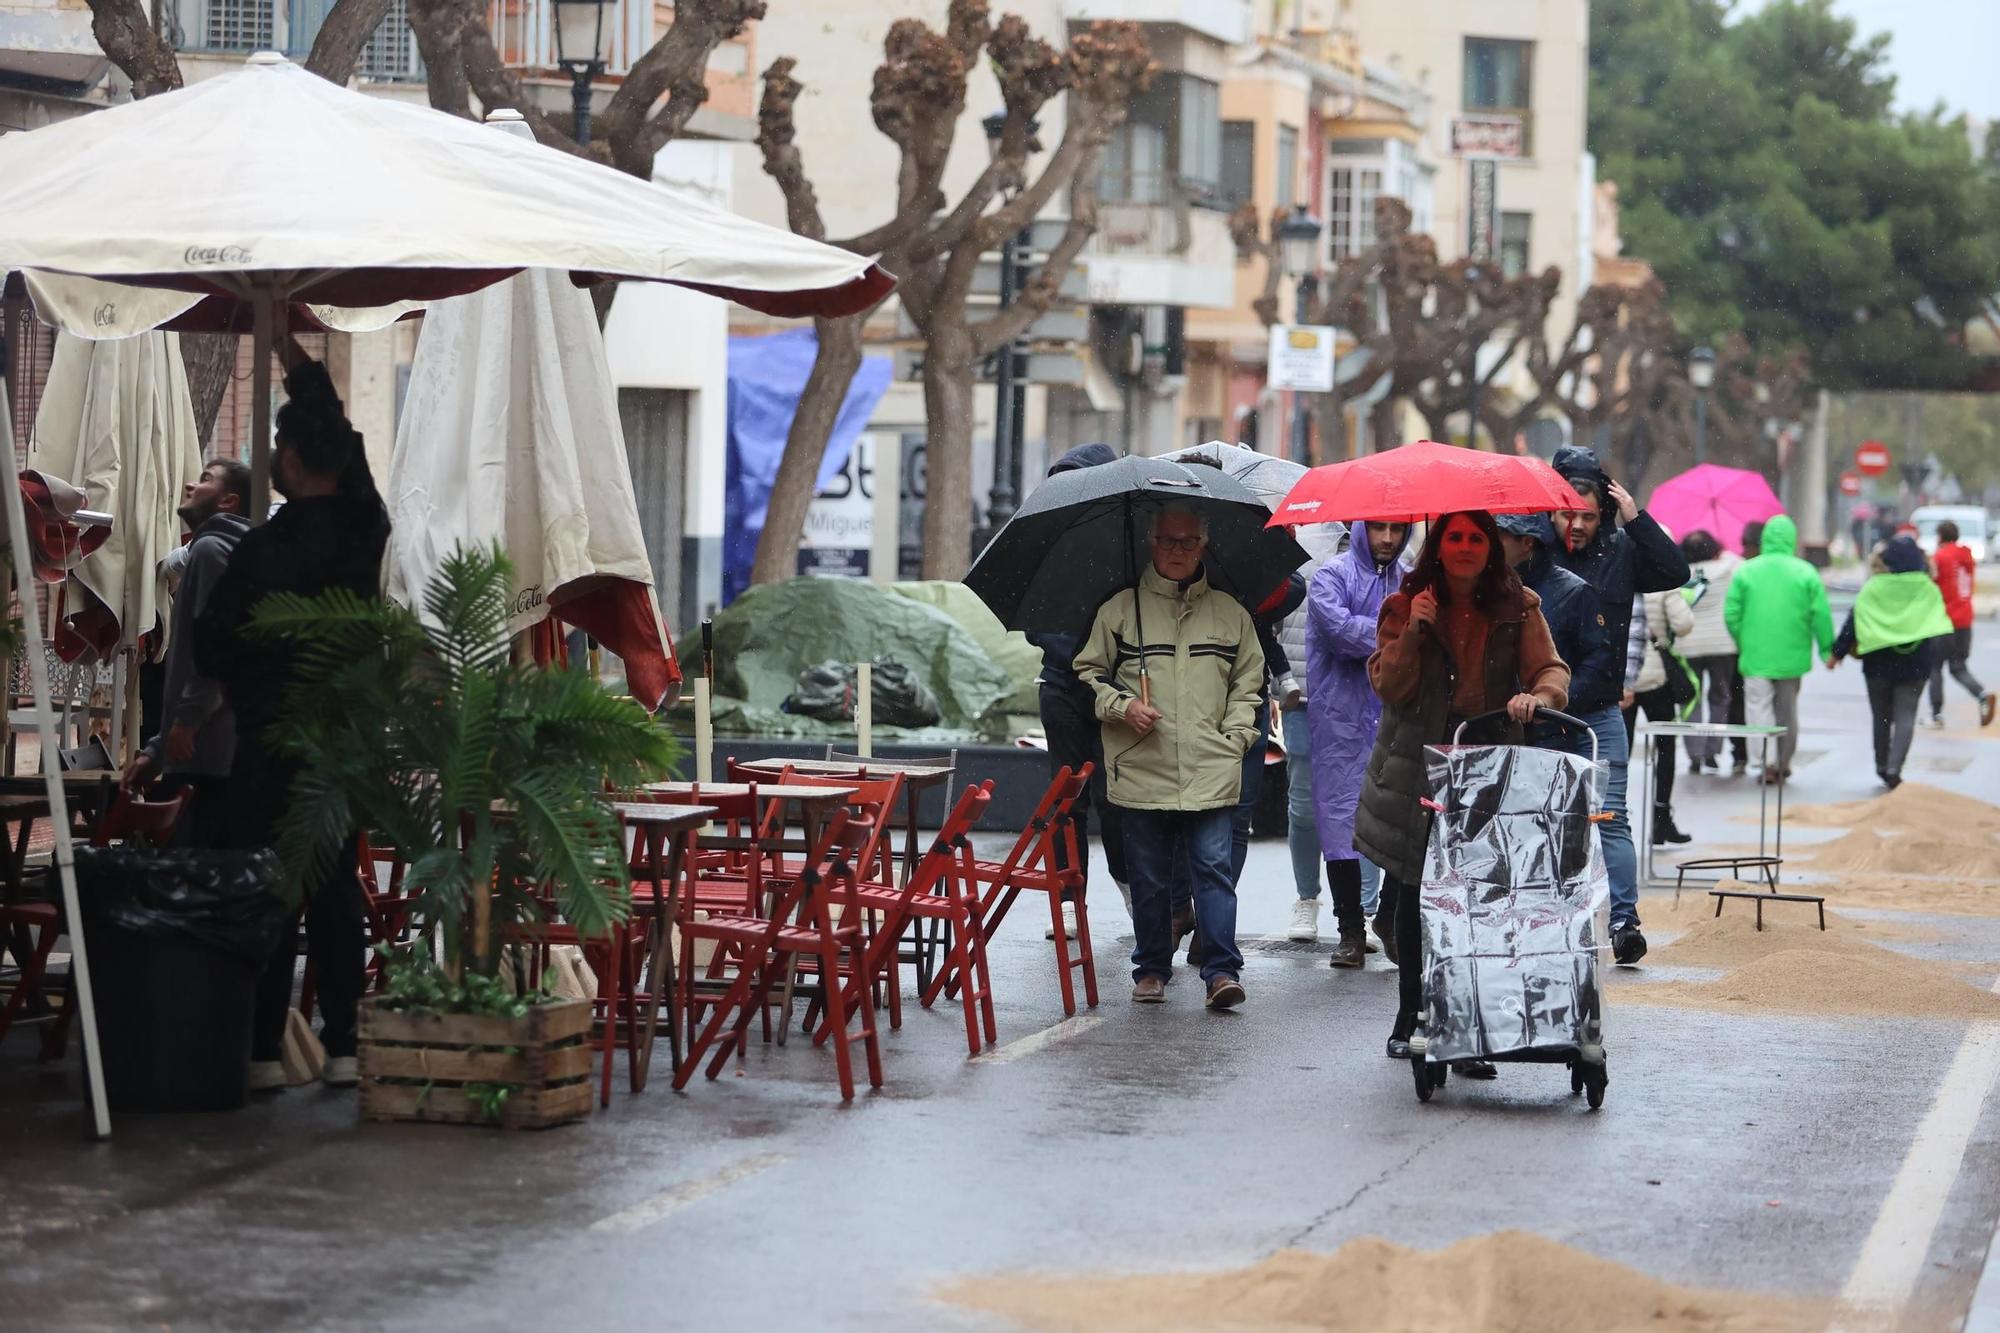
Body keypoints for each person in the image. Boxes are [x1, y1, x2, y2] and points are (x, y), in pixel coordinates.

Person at [194, 361, 391, 1093]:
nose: (271, 459)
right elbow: (353, 454)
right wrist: (309, 377)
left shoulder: (260, 550)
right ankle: (344, 1043)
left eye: (279, 448)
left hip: (268, 738)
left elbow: (213, 645)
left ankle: (263, 1048)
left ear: (293, 460)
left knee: (270, 884)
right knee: (336, 886)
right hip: (342, 736)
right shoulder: (367, 527)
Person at [1354, 512, 1569, 1076]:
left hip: (1489, 763)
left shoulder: (1519, 605)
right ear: (1438, 546)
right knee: (1414, 892)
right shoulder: (1405, 604)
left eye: (1477, 538)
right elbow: (1389, 686)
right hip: (1416, 765)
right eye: (1456, 537)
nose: (1467, 547)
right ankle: (1409, 1016)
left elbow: (1550, 670)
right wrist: (1415, 629)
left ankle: (1468, 1027)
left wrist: (1538, 699)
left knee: (1480, 899)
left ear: (1491, 547)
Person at [1073, 504, 1264, 1010]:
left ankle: (1221, 972)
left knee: (1214, 873)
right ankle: (1152, 969)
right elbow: (1088, 676)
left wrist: (1237, 735)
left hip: (1212, 766)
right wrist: (1122, 705)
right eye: (1167, 541)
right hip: (1142, 768)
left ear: (1203, 546)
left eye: (1187, 542)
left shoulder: (1231, 613)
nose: (1177, 551)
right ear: (1151, 543)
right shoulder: (1119, 609)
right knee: (1150, 878)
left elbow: (1250, 682)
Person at [1546, 446, 1689, 966]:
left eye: (1588, 515)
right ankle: (1554, 914)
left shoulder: (1622, 549)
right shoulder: (1535, 552)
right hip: (1544, 711)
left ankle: (1626, 921)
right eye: (1567, 514)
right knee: (1552, 818)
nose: (1576, 526)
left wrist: (1636, 515)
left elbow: (1676, 571)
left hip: (1603, 710)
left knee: (1611, 818)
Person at [121, 459, 253, 848]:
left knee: (189, 880)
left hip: (201, 754)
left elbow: (215, 648)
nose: (192, 485)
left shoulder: (211, 550)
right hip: (221, 751)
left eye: (207, 479)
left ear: (229, 501)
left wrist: (184, 725)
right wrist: (157, 751)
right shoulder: (241, 552)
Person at [1025, 444, 1128, 931]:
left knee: (1118, 800)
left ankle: (1133, 892)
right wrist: (1073, 652)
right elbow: (1032, 623)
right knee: (1067, 800)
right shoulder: (1050, 546)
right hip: (1063, 688)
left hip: (1113, 692)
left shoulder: (1126, 546)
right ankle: (1068, 900)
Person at [1303, 520, 1410, 967]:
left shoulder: (1412, 580)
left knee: (1405, 821)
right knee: (1340, 822)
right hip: (1340, 716)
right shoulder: (1330, 576)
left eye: (1398, 530)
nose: (1388, 538)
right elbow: (1341, 633)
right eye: (1379, 529)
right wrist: (1402, 631)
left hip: (1397, 713)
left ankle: (1387, 914)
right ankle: (1350, 928)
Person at [1831, 535, 1953, 788]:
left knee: (1881, 717)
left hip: (1878, 663)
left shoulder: (1875, 586)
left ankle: (1881, 765)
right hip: (1916, 663)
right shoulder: (1927, 587)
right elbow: (1939, 624)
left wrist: (1838, 653)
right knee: (1906, 715)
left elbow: (1854, 620)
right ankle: (1895, 767)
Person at [1722, 514, 1833, 788]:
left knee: (1757, 709)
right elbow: (1820, 615)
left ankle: (1765, 762)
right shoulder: (1805, 572)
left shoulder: (1746, 571)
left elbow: (1731, 613)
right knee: (1787, 711)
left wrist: (1743, 639)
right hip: (1791, 655)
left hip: (1755, 653)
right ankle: (1783, 761)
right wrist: (1827, 649)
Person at [1629, 583, 1696, 844]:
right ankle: (1661, 819)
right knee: (1665, 749)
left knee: (1619, 751)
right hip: (1655, 673)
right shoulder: (1663, 584)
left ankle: (1613, 820)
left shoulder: (1615, 571)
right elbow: (1684, 624)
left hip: (1620, 674)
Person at [1676, 530, 1742, 775]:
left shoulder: (1680, 574)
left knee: (1690, 699)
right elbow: (1738, 562)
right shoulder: (1728, 568)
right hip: (1722, 645)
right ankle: (1713, 751)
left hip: (1688, 645)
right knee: (1720, 696)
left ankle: (1694, 754)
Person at [1927, 519, 1995, 728]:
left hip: (1945, 620)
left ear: (1940, 537)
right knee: (1958, 667)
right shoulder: (1967, 556)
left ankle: (1936, 716)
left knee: (1934, 667)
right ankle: (1982, 695)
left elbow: (1931, 582)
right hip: (1965, 619)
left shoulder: (1941, 556)